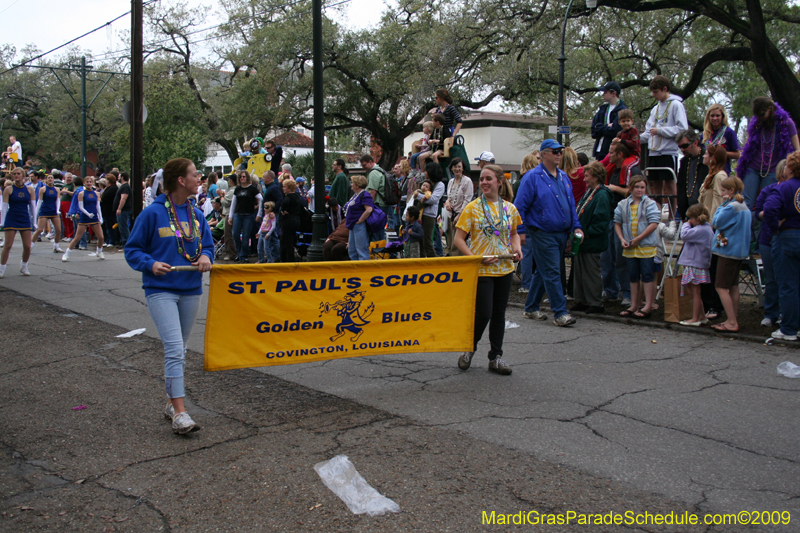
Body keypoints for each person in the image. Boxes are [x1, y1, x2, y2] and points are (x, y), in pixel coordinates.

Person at [125, 158, 213, 434]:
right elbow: (133, 249)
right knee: (174, 349)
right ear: (180, 181)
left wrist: (206, 257)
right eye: (194, 174)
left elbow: (208, 246)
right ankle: (180, 413)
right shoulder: (152, 214)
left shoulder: (197, 214)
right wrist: (150, 264)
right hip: (160, 290)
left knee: (181, 349)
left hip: (190, 289)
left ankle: (170, 404)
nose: (199, 178)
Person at [454, 164, 522, 375]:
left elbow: (514, 233)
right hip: (483, 269)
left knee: (499, 314)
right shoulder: (472, 207)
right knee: (483, 313)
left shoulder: (509, 208)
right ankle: (469, 348)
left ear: (499, 182)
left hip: (505, 267)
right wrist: (476, 258)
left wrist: (517, 247)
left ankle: (496, 357)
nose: (484, 182)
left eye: (488, 179)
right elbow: (458, 239)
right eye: (482, 179)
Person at [515, 139, 583, 326]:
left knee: (544, 271)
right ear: (544, 154)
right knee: (553, 271)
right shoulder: (532, 177)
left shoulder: (563, 177)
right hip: (542, 232)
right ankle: (560, 312)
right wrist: (520, 231)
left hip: (561, 232)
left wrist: (576, 227)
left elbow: (571, 206)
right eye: (554, 151)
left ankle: (531, 308)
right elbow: (519, 206)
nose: (559, 154)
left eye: (560, 151)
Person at [737, 97, 800, 208]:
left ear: (770, 108)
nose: (759, 118)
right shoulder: (756, 123)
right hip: (753, 168)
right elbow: (748, 145)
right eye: (757, 116)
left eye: (762, 114)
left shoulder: (786, 123)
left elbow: (797, 150)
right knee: (744, 203)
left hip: (772, 170)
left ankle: (762, 226)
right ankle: (745, 225)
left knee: (767, 204)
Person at [763, 151, 800, 341]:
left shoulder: (784, 188)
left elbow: (769, 209)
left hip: (787, 236)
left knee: (788, 285)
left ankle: (789, 329)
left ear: (790, 168)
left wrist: (774, 226)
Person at [639, 75, 688, 212]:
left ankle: (674, 211)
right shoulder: (655, 109)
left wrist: (661, 131)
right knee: (655, 184)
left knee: (669, 182)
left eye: (656, 92)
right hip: (654, 151)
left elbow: (682, 129)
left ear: (665, 89)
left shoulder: (676, 105)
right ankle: (657, 211)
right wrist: (635, 139)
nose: (654, 95)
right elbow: (649, 131)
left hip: (668, 151)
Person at [601, 142, 641, 307]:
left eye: (611, 153)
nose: (608, 156)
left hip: (624, 219)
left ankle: (627, 293)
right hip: (610, 216)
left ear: (620, 154)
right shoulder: (614, 169)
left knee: (621, 258)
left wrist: (615, 188)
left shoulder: (630, 170)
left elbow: (634, 192)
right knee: (606, 257)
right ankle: (610, 290)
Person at [614, 176, 660, 318]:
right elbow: (617, 222)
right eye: (637, 187)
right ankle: (634, 305)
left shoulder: (649, 204)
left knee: (647, 275)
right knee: (633, 276)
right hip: (630, 248)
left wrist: (639, 238)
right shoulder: (623, 204)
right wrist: (622, 239)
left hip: (645, 247)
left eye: (642, 187)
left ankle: (647, 305)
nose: (639, 190)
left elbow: (654, 223)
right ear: (631, 188)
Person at [571, 162, 614, 314]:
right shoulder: (590, 192)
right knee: (580, 272)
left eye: (587, 176)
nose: (584, 180)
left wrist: (588, 233)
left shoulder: (601, 195)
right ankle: (582, 300)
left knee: (591, 272)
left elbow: (601, 219)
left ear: (596, 177)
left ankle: (595, 302)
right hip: (582, 240)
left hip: (591, 240)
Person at [710, 176, 751, 333]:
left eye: (724, 190)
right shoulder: (743, 205)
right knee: (733, 286)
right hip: (739, 252)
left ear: (731, 191)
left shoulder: (730, 206)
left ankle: (732, 322)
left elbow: (716, 222)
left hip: (728, 251)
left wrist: (721, 205)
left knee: (720, 286)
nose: (722, 193)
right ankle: (732, 318)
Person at [753, 159, 788, 328]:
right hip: (768, 239)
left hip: (787, 238)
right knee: (771, 278)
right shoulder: (769, 190)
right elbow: (757, 213)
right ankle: (771, 313)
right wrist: (768, 214)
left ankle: (786, 313)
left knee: (787, 278)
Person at [677, 204, 715, 326]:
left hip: (694, 263)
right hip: (698, 263)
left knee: (695, 293)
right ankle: (702, 316)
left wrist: (686, 224)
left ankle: (695, 318)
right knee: (694, 292)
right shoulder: (707, 228)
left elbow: (684, 235)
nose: (690, 221)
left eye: (691, 218)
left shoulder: (700, 230)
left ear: (695, 218)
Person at [0, 167, 36, 277]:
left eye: (18, 174)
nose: (16, 175)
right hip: (12, 218)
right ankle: (2, 268)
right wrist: (2, 222)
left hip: (24, 218)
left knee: (27, 246)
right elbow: (4, 207)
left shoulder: (29, 189)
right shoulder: (8, 189)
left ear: (23, 176)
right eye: (14, 174)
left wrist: (34, 222)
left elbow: (33, 207)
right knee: (8, 245)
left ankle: (24, 266)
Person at [62, 176, 105, 261]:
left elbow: (98, 206)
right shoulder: (81, 193)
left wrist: (100, 217)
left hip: (94, 217)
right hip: (85, 217)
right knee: (77, 237)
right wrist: (88, 214)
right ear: (84, 183)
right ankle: (67, 253)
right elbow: (81, 207)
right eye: (87, 182)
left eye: (90, 182)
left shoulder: (96, 193)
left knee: (101, 237)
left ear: (92, 183)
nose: (89, 183)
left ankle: (99, 251)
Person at [516, 152, 540, 293]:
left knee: (526, 254)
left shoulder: (522, 181)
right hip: (535, 223)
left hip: (526, 222)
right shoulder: (538, 180)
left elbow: (518, 204)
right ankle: (532, 283)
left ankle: (526, 284)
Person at [228, 171, 263, 263]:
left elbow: (261, 199)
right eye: (240, 177)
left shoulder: (253, 189)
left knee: (246, 236)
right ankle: (239, 253)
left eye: (244, 176)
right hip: (238, 214)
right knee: (235, 234)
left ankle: (243, 255)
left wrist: (259, 213)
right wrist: (230, 216)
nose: (242, 178)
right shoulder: (237, 189)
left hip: (249, 215)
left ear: (247, 178)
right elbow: (233, 203)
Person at [675, 129, 708, 220]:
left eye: (685, 146)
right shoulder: (684, 161)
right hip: (689, 212)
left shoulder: (707, 159)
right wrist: (682, 211)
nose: (682, 149)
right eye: (680, 147)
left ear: (695, 143)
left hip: (705, 211)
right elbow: (681, 187)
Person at [591, 81, 628, 160]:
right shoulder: (602, 109)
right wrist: (607, 126)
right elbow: (594, 130)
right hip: (599, 151)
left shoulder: (622, 110)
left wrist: (601, 128)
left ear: (613, 93)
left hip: (613, 152)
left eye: (605, 92)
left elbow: (616, 130)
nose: (602, 94)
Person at [444, 157, 473, 256]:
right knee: (450, 241)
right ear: (452, 168)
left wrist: (459, 215)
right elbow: (449, 196)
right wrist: (447, 202)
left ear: (463, 168)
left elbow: (467, 200)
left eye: (459, 167)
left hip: (461, 215)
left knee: (458, 242)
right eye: (455, 167)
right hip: (450, 214)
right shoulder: (451, 182)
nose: (457, 169)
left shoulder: (467, 181)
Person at [416, 163, 445, 258]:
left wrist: (418, 196)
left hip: (429, 215)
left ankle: (433, 261)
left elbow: (433, 199)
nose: (424, 173)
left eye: (426, 170)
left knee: (427, 240)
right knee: (420, 239)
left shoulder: (440, 185)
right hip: (421, 214)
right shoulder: (427, 182)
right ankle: (422, 261)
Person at [700, 104, 740, 174]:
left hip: (722, 171)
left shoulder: (728, 132)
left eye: (718, 115)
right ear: (708, 117)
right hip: (706, 172)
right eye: (712, 116)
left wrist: (719, 153)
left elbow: (737, 155)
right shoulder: (704, 135)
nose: (715, 118)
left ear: (723, 117)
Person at [343, 174, 374, 261]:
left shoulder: (364, 195)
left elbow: (369, 209)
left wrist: (360, 220)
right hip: (353, 226)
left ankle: (364, 270)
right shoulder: (355, 195)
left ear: (357, 184)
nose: (351, 184)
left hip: (359, 226)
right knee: (352, 250)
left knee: (361, 250)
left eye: (353, 183)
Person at [31, 173, 64, 253]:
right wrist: (35, 211)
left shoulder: (56, 189)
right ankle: (30, 246)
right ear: (46, 179)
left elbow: (58, 200)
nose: (50, 179)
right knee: (39, 229)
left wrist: (57, 210)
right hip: (44, 210)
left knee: (58, 230)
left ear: (53, 179)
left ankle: (56, 246)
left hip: (53, 211)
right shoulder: (43, 189)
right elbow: (39, 201)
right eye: (48, 178)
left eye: (51, 178)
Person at [361, 154, 391, 240]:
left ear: (370, 162)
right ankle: (379, 249)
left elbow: (372, 192)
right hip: (382, 204)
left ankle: (377, 250)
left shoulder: (374, 173)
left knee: (376, 230)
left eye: (364, 165)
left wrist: (369, 207)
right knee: (379, 229)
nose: (364, 168)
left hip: (378, 205)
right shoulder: (380, 170)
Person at [279, 179, 303, 263]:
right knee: (291, 240)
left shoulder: (288, 198)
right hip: (296, 220)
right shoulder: (297, 197)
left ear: (289, 188)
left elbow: (283, 207)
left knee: (286, 241)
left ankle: (287, 259)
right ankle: (291, 257)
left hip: (288, 221)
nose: (283, 188)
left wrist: (283, 211)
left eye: (284, 187)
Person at [261, 170, 283, 262]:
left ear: (268, 178)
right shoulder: (271, 187)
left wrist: (274, 211)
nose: (262, 179)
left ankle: (276, 255)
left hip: (272, 216)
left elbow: (280, 199)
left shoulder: (273, 188)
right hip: (268, 215)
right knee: (272, 236)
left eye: (263, 177)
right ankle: (273, 254)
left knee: (273, 236)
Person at [114, 172, 133, 248]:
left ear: (122, 177)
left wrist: (119, 208)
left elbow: (123, 198)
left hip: (124, 210)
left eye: (119, 176)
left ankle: (126, 242)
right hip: (123, 210)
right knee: (122, 226)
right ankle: (124, 241)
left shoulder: (125, 187)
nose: (118, 178)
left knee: (123, 226)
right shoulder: (124, 186)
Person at [100, 173, 118, 247]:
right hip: (105, 210)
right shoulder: (107, 188)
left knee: (110, 226)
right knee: (106, 226)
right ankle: (107, 240)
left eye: (107, 180)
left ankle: (112, 241)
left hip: (110, 210)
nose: (106, 181)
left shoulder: (113, 188)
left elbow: (106, 197)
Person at [59, 173, 75, 240]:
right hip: (62, 203)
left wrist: (67, 191)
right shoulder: (64, 185)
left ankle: (71, 235)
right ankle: (66, 234)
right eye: (67, 177)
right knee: (64, 220)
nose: (69, 179)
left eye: (70, 177)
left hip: (68, 203)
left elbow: (73, 194)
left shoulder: (72, 185)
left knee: (69, 219)